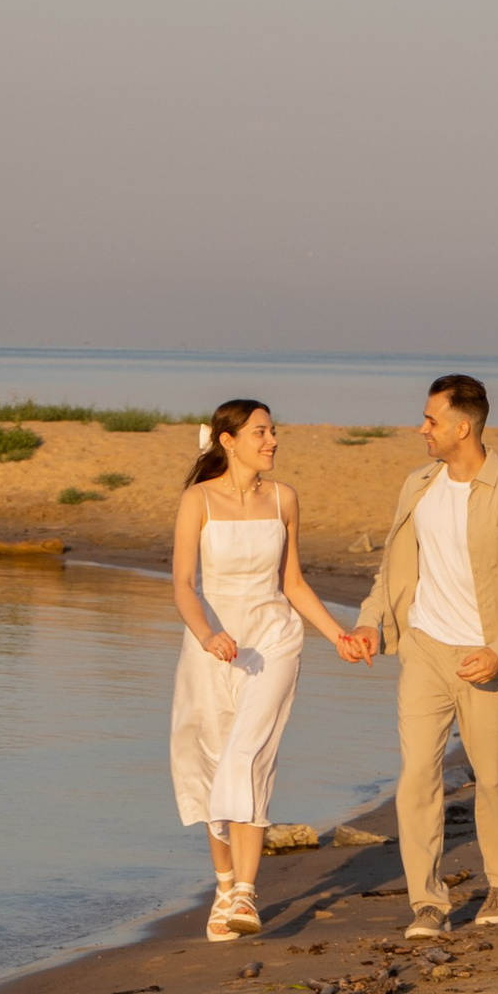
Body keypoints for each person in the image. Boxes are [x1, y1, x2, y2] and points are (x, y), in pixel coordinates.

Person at [351, 373, 498, 936]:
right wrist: (372, 622)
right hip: (423, 648)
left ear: (462, 427)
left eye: (431, 420)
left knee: (493, 774)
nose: (422, 429)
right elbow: (394, 570)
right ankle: (428, 902)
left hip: (488, 655)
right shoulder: (418, 484)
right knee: (417, 773)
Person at [171, 399, 375, 940]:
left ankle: (246, 894)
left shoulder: (285, 499)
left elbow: (294, 583)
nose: (272, 441)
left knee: (247, 756)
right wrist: (208, 634)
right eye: (260, 432)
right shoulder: (198, 501)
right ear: (227, 440)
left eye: (274, 431)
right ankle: (223, 887)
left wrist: (339, 635)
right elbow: (183, 585)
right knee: (212, 764)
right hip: (213, 645)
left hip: (275, 642)